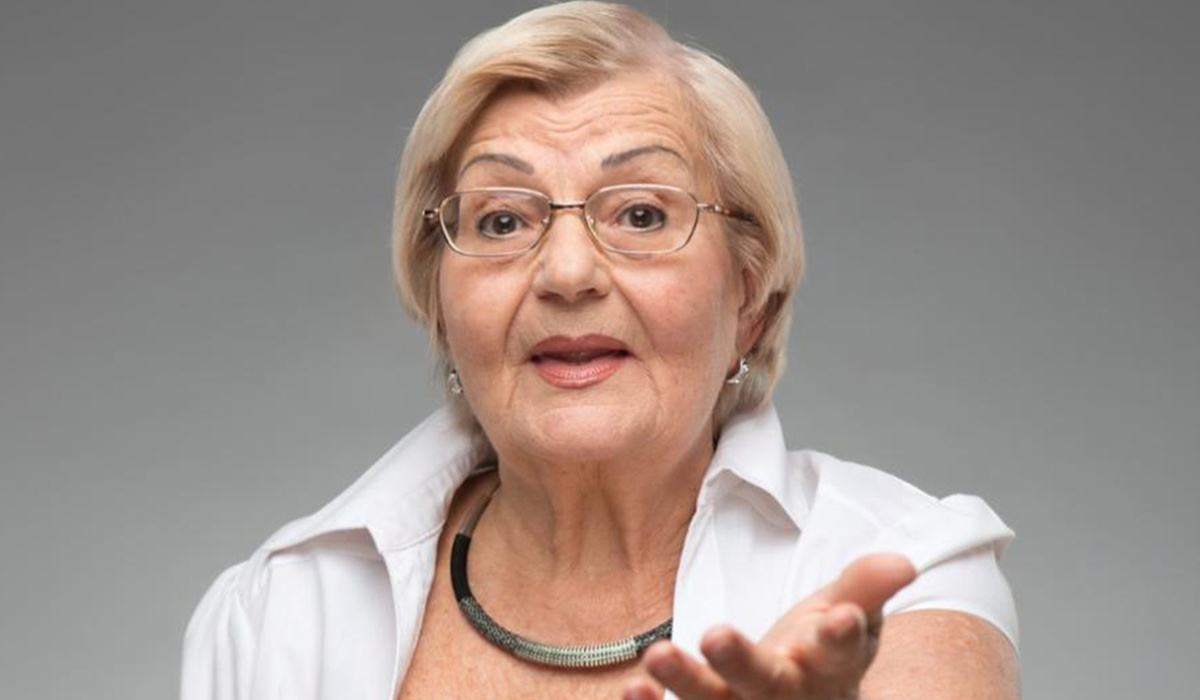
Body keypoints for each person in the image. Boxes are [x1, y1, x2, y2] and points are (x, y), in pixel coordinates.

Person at [180, 3, 1019, 698]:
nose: (568, 273)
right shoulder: (275, 613)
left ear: (751, 299)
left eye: (642, 215)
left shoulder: (899, 569)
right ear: (440, 304)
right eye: (502, 221)